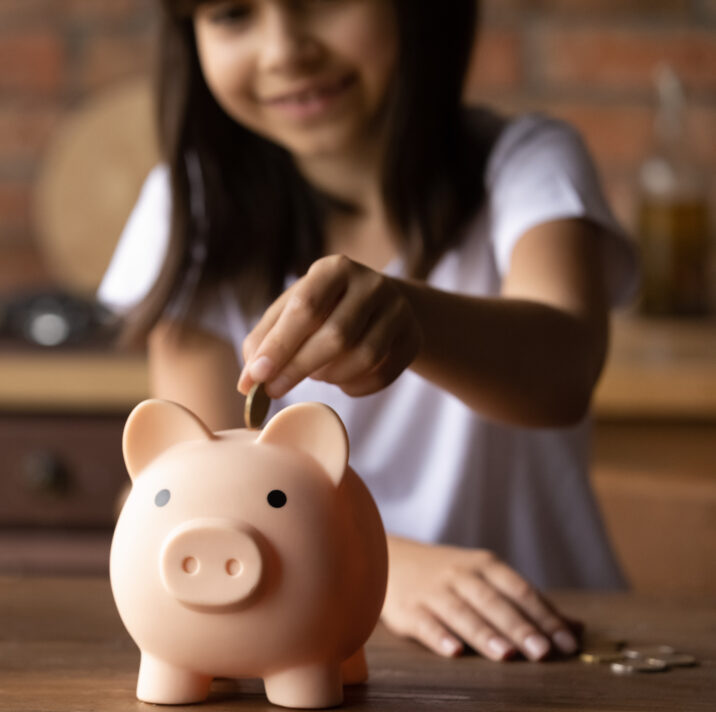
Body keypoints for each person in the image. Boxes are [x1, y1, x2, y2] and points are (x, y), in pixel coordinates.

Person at [97, 0, 638, 664]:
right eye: (234, 14)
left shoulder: (527, 164)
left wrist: (416, 319)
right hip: (311, 640)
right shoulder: (189, 206)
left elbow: (564, 373)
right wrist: (385, 570)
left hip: (551, 640)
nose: (283, 51)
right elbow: (189, 476)